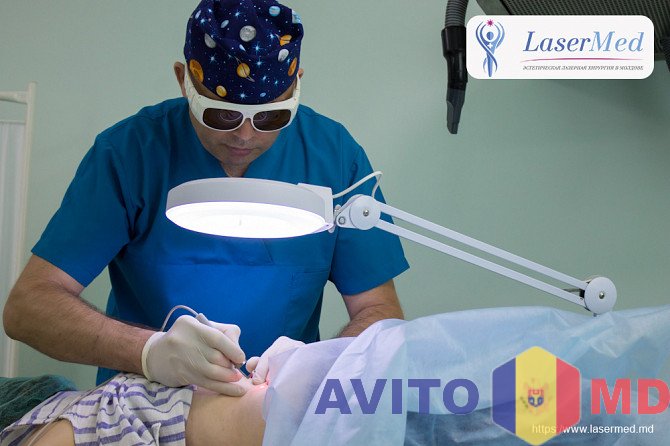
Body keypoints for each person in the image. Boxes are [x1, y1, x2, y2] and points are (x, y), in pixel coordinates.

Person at [2, 0, 408, 396]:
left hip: (275, 405)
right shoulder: (130, 154)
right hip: (143, 407)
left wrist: (316, 365)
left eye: (270, 116)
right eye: (222, 114)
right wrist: (148, 351)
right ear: (184, 81)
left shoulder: (332, 157)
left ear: (296, 84)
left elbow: (379, 312)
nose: (245, 136)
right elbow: (28, 308)